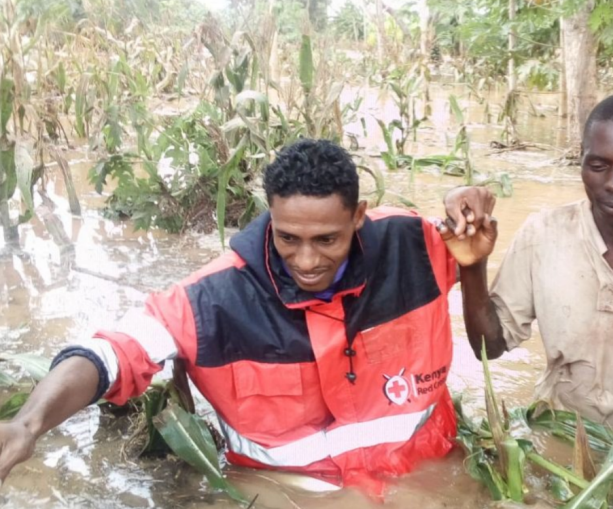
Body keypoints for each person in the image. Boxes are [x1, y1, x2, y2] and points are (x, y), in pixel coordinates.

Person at [0, 139, 497, 496]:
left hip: (425, 473)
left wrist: (473, 237)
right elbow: (112, 353)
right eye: (288, 238)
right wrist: (27, 424)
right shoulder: (212, 298)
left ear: (358, 216)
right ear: (270, 216)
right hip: (284, 490)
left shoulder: (415, 246)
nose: (306, 261)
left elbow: (486, 330)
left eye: (327, 239)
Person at [443, 92, 613, 430]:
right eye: (598, 166)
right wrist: (473, 267)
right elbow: (488, 347)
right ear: (581, 159)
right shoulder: (543, 234)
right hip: (556, 434)